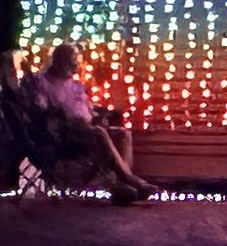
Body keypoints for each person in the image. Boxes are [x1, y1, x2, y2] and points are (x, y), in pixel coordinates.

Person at [32, 42, 157, 201]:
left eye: (76, 59)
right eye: (71, 59)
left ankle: (123, 185)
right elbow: (40, 108)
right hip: (64, 133)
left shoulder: (75, 84)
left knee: (122, 134)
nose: (75, 63)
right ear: (59, 60)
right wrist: (59, 115)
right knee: (98, 133)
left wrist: (100, 115)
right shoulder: (42, 82)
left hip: (87, 127)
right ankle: (128, 179)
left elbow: (88, 109)